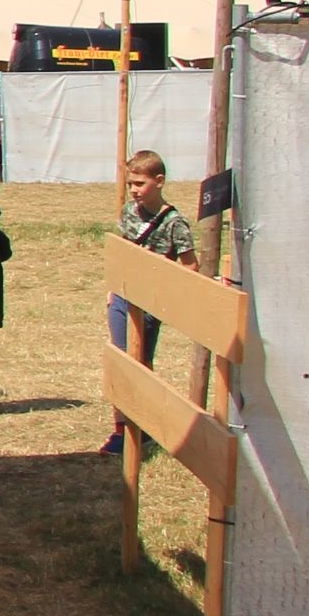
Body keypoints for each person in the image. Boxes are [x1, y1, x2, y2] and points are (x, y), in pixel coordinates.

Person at [97, 150, 199, 454]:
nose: (134, 190)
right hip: (123, 296)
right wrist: (113, 287)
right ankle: (121, 428)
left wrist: (166, 290)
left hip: (151, 302)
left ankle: (142, 425)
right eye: (130, 183)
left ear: (160, 181)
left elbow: (190, 266)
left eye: (139, 183)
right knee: (121, 359)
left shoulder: (174, 223)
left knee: (140, 362)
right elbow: (123, 250)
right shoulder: (130, 212)